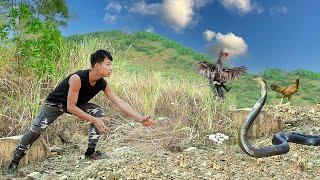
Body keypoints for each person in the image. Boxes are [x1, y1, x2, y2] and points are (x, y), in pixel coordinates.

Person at [5, 49, 155, 175]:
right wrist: (94, 120)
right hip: (55, 104)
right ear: (97, 66)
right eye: (108, 64)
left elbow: (118, 101)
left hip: (77, 104)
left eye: (111, 65)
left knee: (97, 111)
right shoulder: (78, 78)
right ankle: (14, 162)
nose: (111, 68)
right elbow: (70, 107)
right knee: (36, 129)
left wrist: (140, 118)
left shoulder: (102, 83)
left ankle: (90, 153)